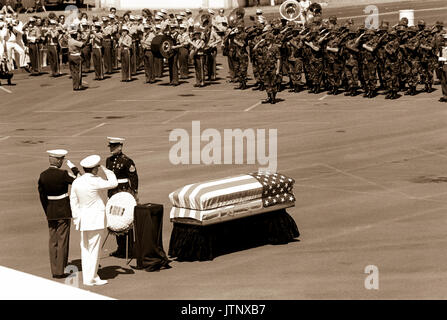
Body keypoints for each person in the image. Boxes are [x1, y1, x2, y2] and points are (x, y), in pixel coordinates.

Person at [70, 155, 117, 286]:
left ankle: (89, 277)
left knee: (85, 249)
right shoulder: (95, 181)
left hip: (83, 220)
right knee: (95, 250)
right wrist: (108, 171)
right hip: (95, 220)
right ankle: (92, 278)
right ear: (95, 169)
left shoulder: (77, 181)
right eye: (97, 167)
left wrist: (76, 219)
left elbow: (73, 201)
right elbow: (114, 183)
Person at [38, 149, 80, 279]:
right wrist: (74, 169)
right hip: (63, 210)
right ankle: (60, 270)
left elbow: (42, 196)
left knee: (53, 241)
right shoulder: (63, 174)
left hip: (50, 210)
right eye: (61, 159)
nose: (62, 161)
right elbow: (79, 181)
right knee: (62, 240)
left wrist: (47, 210)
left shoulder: (43, 175)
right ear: (58, 160)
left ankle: (54, 268)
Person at [106, 137, 138, 259]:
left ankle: (129, 248)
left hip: (124, 192)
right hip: (113, 193)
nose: (111, 149)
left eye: (114, 147)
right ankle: (120, 248)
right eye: (110, 147)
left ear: (120, 147)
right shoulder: (108, 160)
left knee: (126, 219)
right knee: (116, 218)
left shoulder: (127, 161)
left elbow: (133, 177)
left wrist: (134, 192)